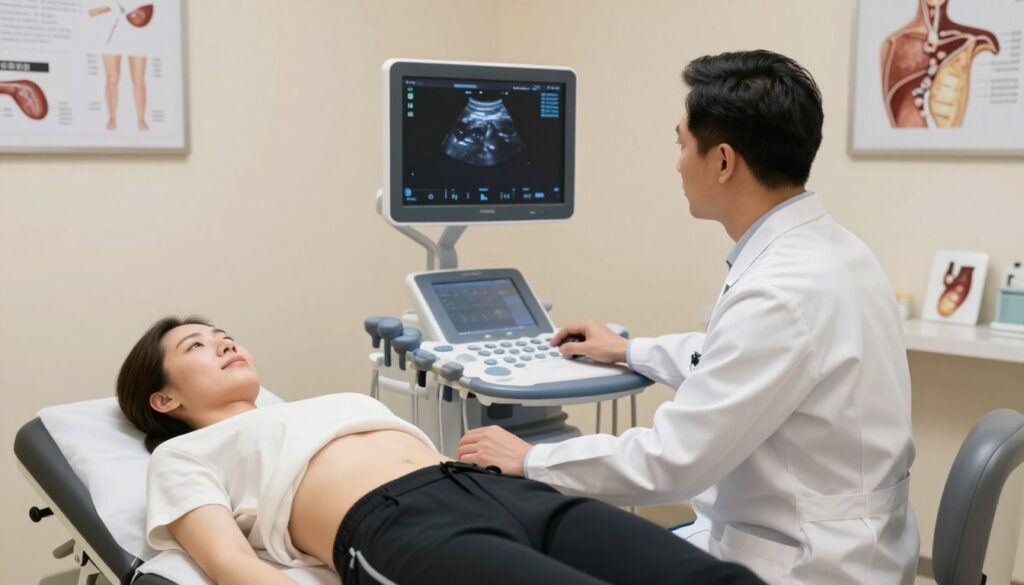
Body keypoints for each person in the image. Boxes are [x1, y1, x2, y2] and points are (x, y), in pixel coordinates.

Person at [458, 50, 919, 585]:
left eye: (681, 143)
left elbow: (672, 462)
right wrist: (632, 350)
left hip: (803, 564)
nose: (678, 161)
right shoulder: (832, 251)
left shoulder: (780, 292)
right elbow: (746, 362)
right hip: (836, 536)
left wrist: (531, 458)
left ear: (722, 161)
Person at [117, 316, 765, 585]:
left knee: (712, 579)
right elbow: (232, 567)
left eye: (224, 333)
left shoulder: (306, 407)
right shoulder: (182, 457)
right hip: (394, 524)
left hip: (497, 488)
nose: (224, 342)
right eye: (196, 346)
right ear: (163, 399)